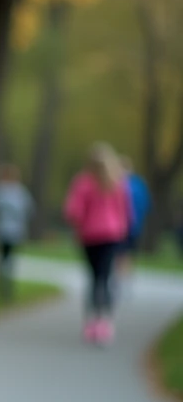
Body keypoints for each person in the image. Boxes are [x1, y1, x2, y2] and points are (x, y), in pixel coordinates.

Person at [63, 143, 130, 346]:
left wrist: (79, 225)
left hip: (90, 235)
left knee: (94, 278)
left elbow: (73, 211)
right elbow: (124, 211)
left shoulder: (83, 182)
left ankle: (92, 321)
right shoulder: (117, 182)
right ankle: (105, 321)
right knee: (105, 277)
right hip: (111, 235)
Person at [0, 163, 35, 303]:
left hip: (13, 232)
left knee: (7, 258)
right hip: (0, 231)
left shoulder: (18, 192)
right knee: (4, 258)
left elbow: (28, 210)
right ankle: (4, 283)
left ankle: (6, 283)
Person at [117, 155, 152, 280]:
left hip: (128, 225)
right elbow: (147, 205)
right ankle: (124, 275)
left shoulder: (121, 185)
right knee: (125, 252)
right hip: (131, 225)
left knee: (123, 252)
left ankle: (122, 275)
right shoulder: (139, 184)